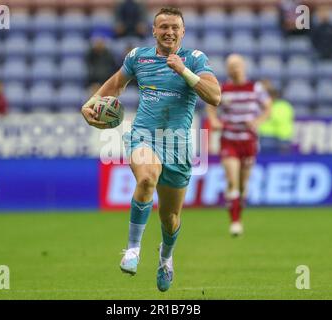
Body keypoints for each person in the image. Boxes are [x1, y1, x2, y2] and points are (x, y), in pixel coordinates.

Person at [81, 7, 221, 292]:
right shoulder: (138, 57)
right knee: (146, 178)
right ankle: (133, 249)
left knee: (169, 219)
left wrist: (183, 72)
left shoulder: (195, 60)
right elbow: (116, 85)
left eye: (174, 27)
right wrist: (90, 103)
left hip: (178, 147)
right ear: (154, 31)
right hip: (144, 136)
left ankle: (166, 258)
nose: (169, 31)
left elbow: (215, 97)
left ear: (183, 32)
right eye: (163, 27)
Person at [205, 54, 271, 236]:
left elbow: (268, 106)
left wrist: (258, 121)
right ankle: (234, 222)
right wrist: (214, 120)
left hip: (248, 141)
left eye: (237, 65)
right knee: (232, 180)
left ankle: (238, 214)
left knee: (243, 186)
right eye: (231, 65)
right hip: (229, 139)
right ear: (227, 69)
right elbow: (210, 106)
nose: (234, 68)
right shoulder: (222, 88)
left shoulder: (255, 88)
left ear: (244, 66)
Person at [258, 80, 294, 154]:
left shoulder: (282, 106)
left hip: (277, 139)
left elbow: (274, 117)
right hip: (271, 138)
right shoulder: (285, 105)